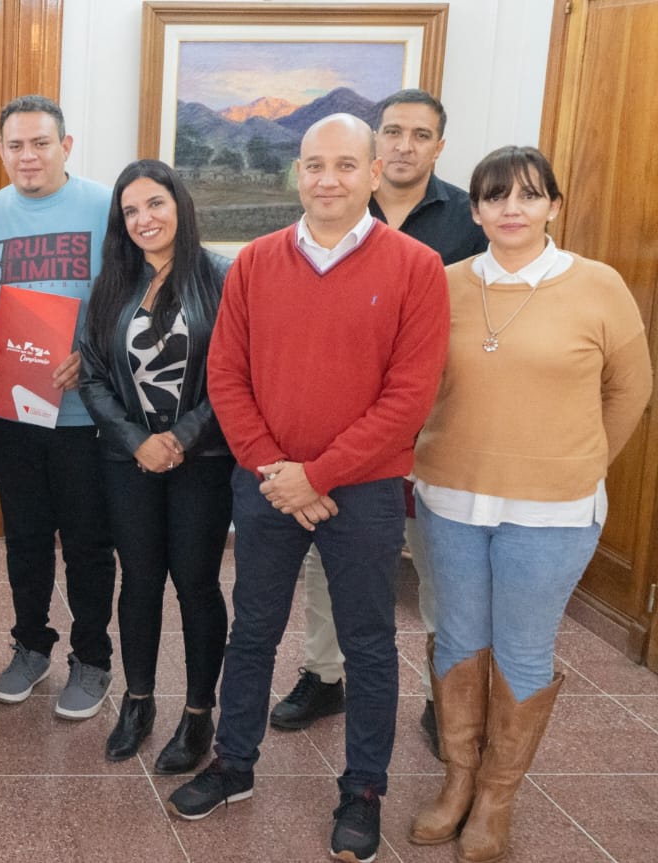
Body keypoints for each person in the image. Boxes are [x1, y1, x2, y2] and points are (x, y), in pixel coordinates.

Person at [168, 115, 449, 863]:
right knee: (254, 628)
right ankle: (234, 763)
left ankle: (362, 788)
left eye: (346, 165)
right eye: (315, 164)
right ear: (296, 172)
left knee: (367, 640)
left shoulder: (417, 266)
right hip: (266, 479)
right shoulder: (255, 262)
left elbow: (410, 397)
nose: (329, 178)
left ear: (374, 171)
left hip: (362, 490)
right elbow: (226, 375)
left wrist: (317, 476)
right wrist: (277, 471)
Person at [408, 146, 651, 862]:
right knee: (457, 638)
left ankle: (495, 798)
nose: (511, 208)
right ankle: (457, 781)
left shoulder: (597, 286)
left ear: (553, 204)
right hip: (450, 494)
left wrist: (580, 463)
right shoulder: (444, 283)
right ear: (475, 209)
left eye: (528, 194)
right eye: (494, 197)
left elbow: (629, 390)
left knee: (520, 647)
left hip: (553, 509)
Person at [276, 89, 488, 758]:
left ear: (439, 146)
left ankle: (440, 694)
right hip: (346, 439)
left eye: (419, 135)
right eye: (391, 132)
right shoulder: (334, 206)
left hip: (436, 424)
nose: (403, 144)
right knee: (326, 555)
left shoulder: (467, 221)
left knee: (437, 565)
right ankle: (323, 673)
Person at [0, 95, 118, 720]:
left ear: (66, 146)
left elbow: (133, 295)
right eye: (16, 146)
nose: (28, 156)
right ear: (1, 151)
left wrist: (95, 355)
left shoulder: (105, 206)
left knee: (86, 541)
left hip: (83, 415)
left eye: (41, 143)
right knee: (24, 537)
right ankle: (31, 645)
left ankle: (93, 657)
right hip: (11, 411)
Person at [78, 159, 232, 773]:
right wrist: (137, 440)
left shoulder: (220, 277)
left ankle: (198, 715)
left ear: (180, 206)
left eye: (155, 205)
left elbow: (233, 375)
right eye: (131, 211)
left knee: (196, 584)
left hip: (204, 461)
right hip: (127, 460)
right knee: (138, 581)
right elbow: (90, 375)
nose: (144, 219)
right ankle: (137, 704)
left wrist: (182, 437)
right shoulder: (112, 282)